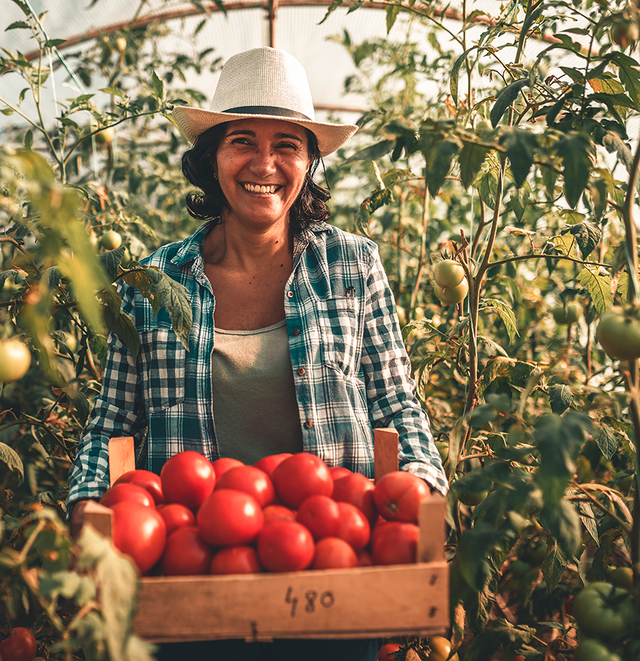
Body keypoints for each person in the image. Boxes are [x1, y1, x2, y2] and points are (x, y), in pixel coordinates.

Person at [67, 47, 447, 661]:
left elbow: (397, 403)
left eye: (288, 146)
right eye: (241, 140)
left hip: (331, 577)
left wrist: (424, 491)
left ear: (309, 163)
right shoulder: (155, 281)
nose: (264, 164)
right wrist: (89, 506)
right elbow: (111, 425)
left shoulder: (350, 265)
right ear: (211, 158)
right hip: (189, 580)